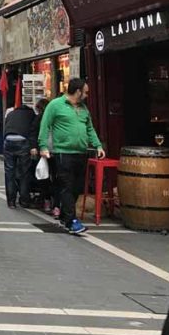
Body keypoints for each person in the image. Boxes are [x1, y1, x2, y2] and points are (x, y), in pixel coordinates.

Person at [38, 78, 104, 236]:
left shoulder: (83, 109)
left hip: (81, 152)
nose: (87, 95)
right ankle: (72, 221)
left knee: (77, 187)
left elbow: (90, 128)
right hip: (63, 152)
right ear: (78, 92)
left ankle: (64, 215)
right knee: (66, 186)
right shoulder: (55, 105)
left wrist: (98, 145)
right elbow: (45, 125)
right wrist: (42, 146)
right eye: (86, 92)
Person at [2, 100, 37, 208]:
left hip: (8, 141)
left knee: (9, 172)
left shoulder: (11, 113)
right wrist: (33, 146)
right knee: (24, 172)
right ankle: (24, 199)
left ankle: (11, 201)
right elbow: (33, 130)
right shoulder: (31, 115)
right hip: (22, 141)